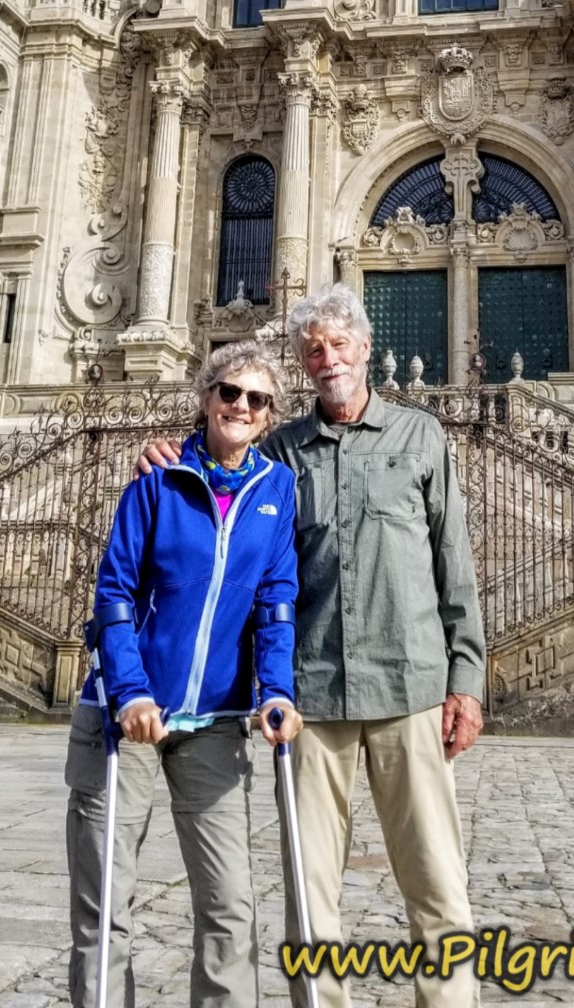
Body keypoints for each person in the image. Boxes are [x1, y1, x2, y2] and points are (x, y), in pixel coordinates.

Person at [141, 282, 486, 1008]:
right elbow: (220, 472)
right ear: (302, 363)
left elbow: (454, 564)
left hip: (411, 687)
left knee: (437, 883)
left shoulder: (421, 436)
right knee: (309, 893)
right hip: (311, 694)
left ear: (365, 348)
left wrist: (467, 681)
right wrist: (168, 457)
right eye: (314, 349)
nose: (328, 359)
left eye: (339, 344)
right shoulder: (281, 452)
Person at [65, 340, 301, 1007]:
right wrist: (130, 692)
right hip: (124, 721)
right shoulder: (157, 478)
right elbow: (114, 593)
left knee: (231, 905)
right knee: (105, 902)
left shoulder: (276, 488)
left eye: (257, 399)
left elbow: (275, 601)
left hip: (216, 723)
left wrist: (276, 690)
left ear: (269, 415)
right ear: (205, 397)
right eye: (230, 391)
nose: (241, 406)